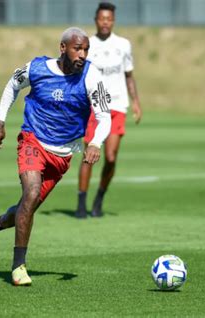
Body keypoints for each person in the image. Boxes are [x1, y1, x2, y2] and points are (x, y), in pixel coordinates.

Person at [0, 27, 111, 286]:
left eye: (85, 49)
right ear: (62, 48)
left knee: (28, 205)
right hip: (32, 140)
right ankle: (18, 267)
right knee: (31, 193)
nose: (82, 54)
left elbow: (104, 116)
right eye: (77, 49)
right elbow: (12, 84)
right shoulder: (37, 68)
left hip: (63, 155)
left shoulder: (92, 76)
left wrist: (95, 142)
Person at [75, 2, 142, 218]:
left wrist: (136, 102)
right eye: (102, 18)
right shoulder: (87, 45)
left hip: (117, 106)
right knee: (89, 155)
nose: (106, 22)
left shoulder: (123, 44)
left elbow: (129, 76)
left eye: (109, 19)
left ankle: (99, 198)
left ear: (113, 21)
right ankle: (81, 203)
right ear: (96, 20)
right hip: (94, 107)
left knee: (111, 157)